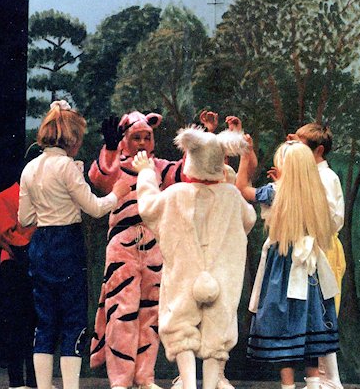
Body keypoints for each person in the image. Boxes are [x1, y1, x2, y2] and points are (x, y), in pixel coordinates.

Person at [88, 110, 218, 389]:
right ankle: (120, 380)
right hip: (123, 244)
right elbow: (99, 178)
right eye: (136, 137)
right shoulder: (117, 163)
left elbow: (187, 172)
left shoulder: (158, 167)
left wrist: (202, 138)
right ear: (126, 139)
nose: (142, 142)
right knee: (122, 311)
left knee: (151, 313)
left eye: (147, 137)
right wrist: (110, 148)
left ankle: (144, 377)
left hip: (155, 244)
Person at [132, 125, 257, 389]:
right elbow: (249, 219)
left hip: (184, 272)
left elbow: (149, 207)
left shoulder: (176, 194)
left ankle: (189, 384)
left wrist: (146, 173)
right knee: (218, 331)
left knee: (180, 325)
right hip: (221, 273)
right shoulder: (232, 197)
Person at [18, 100, 130, 389]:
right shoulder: (66, 167)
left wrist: (48, 207)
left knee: (45, 322)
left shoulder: (30, 168)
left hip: (41, 244)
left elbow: (25, 218)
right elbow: (95, 208)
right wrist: (117, 193)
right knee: (73, 320)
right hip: (66, 244)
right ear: (72, 137)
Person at [236, 139, 340, 389]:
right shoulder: (316, 194)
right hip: (309, 267)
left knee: (284, 325)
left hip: (282, 266)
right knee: (309, 323)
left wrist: (246, 155)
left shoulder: (275, 192)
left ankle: (288, 385)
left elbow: (241, 188)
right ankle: (313, 383)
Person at [288, 123, 345, 389]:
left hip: (324, 248)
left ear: (318, 150)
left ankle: (330, 378)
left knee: (324, 312)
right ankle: (323, 377)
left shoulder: (326, 177)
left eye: (301, 146)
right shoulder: (309, 175)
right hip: (312, 248)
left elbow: (332, 218)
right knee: (315, 313)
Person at [0, 144, 40, 389]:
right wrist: (30, 249)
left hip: (37, 265)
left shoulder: (43, 197)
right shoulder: (7, 195)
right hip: (15, 264)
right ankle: (16, 382)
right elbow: (4, 233)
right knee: (17, 324)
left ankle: (34, 381)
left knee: (36, 326)